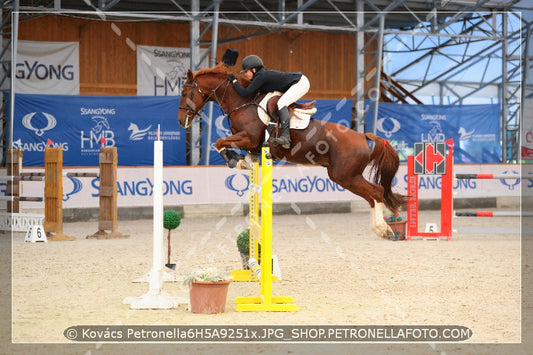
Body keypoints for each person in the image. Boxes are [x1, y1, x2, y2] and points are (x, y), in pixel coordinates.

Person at [228, 55, 310, 149]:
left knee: (282, 103)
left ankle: (286, 137)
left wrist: (234, 81)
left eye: (246, 71)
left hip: (300, 83)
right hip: (296, 83)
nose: (245, 74)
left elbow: (245, 93)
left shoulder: (261, 76)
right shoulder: (260, 76)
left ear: (254, 70)